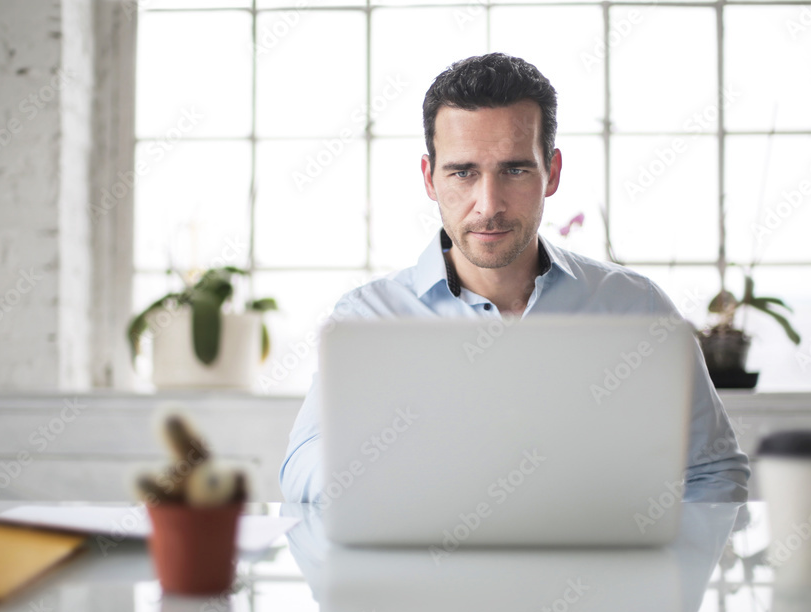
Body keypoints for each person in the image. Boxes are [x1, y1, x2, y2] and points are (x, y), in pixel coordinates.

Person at [280, 53, 749, 504]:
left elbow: (713, 473)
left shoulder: (636, 308)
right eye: (463, 173)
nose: (489, 205)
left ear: (552, 173)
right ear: (429, 178)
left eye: (515, 170)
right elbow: (302, 470)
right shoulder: (369, 318)